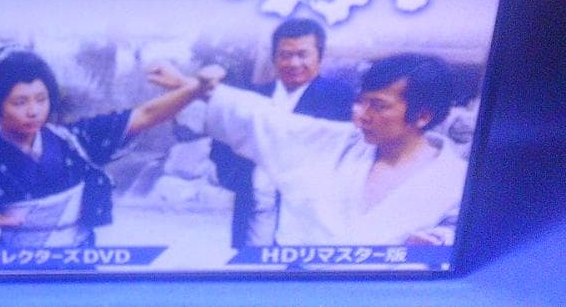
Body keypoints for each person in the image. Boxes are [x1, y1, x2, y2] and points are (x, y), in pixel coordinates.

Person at [0, 44, 205, 249]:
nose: (33, 111)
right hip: (14, 270)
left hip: (77, 259)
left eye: (41, 99)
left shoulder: (73, 142)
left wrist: (195, 89)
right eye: (20, 102)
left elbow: (145, 115)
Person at [192, 53, 465, 246]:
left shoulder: (455, 178)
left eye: (378, 105)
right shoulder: (336, 142)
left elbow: (462, 236)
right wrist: (192, 90)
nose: (361, 115)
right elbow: (268, 121)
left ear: (423, 116)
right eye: (361, 102)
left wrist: (439, 240)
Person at [207, 18, 353, 247]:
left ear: (319, 56)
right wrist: (247, 184)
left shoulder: (341, 99)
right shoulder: (252, 96)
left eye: (303, 55)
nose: (294, 63)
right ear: (274, 57)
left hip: (309, 221)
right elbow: (222, 146)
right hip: (254, 214)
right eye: (286, 55)